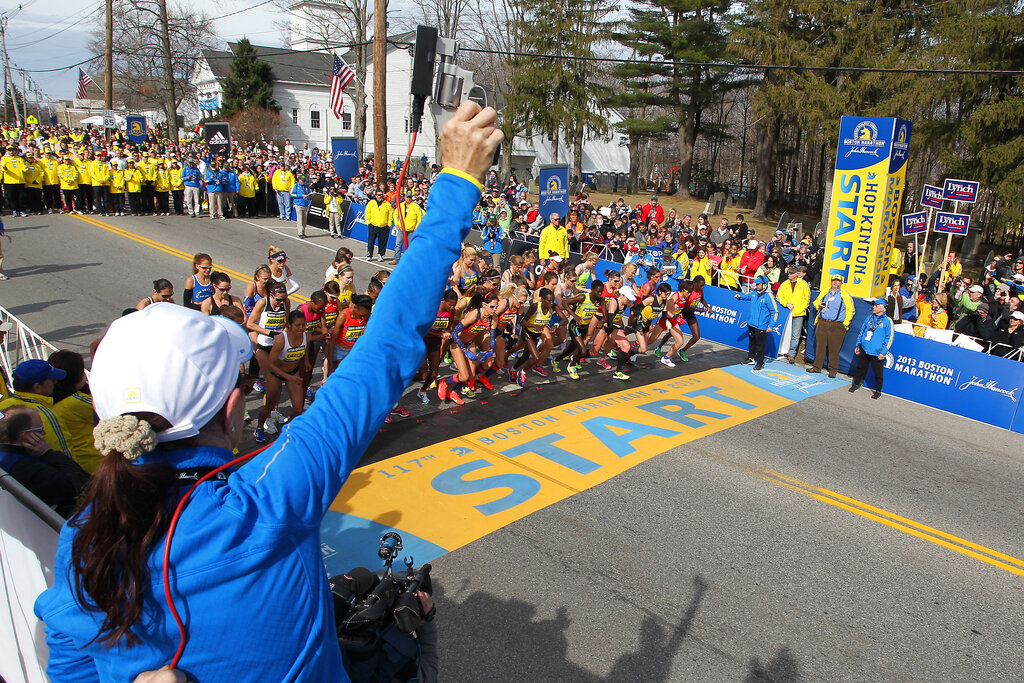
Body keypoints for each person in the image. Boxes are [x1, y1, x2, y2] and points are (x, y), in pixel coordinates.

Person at [32, 100, 502, 681]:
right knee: (413, 632)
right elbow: (388, 342)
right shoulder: (270, 496)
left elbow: (68, 653)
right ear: (233, 410)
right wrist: (457, 181)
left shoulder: (82, 537)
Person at [0, 407, 90, 517]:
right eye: (40, 430)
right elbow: (81, 483)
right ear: (26, 436)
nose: (44, 433)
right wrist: (48, 453)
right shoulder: (25, 467)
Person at [0, 359, 72, 455]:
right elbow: (64, 453)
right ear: (37, 387)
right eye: (51, 379)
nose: (55, 382)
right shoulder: (46, 415)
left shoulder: (3, 406)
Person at [807, 274, 854, 378]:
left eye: (838, 281)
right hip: (822, 322)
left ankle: (833, 370)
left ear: (841, 283)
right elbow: (815, 302)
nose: (835, 283)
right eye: (834, 281)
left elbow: (851, 310)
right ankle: (817, 367)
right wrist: (818, 304)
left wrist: (845, 324)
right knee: (820, 347)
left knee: (834, 349)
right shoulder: (825, 292)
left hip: (837, 325)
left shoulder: (845, 294)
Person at [849, 298, 894, 399]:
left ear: (882, 308)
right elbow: (862, 331)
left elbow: (889, 338)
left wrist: (883, 352)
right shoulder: (869, 318)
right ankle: (856, 385)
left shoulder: (887, 322)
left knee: (878, 372)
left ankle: (878, 391)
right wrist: (858, 344)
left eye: (876, 305)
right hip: (865, 348)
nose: (874, 307)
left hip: (877, 352)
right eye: (874, 305)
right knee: (860, 368)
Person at [735, 274, 779, 371]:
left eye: (758, 284)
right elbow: (746, 296)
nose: (756, 285)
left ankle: (760, 362)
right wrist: (739, 296)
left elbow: (775, 311)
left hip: (761, 326)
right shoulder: (754, 293)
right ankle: (750, 358)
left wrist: (771, 325)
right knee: (752, 343)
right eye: (756, 284)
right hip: (751, 324)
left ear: (764, 285)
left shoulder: (769, 296)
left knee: (760, 345)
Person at [777, 266, 810, 363]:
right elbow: (779, 296)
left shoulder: (803, 284)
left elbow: (807, 299)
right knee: (784, 332)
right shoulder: (784, 284)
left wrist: (799, 309)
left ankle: (791, 354)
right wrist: (786, 304)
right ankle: (782, 351)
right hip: (786, 312)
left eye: (792, 273)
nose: (789, 275)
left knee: (795, 335)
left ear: (797, 274)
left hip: (798, 313)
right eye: (789, 273)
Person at [365, 187, 393, 261]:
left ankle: (381, 255)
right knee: (371, 241)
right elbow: (367, 213)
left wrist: (389, 224)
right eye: (379, 195)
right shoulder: (371, 203)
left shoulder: (387, 204)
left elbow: (390, 214)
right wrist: (368, 223)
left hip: (384, 226)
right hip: (373, 225)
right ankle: (369, 255)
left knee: (383, 242)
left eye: (381, 194)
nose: (380, 196)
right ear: (376, 195)